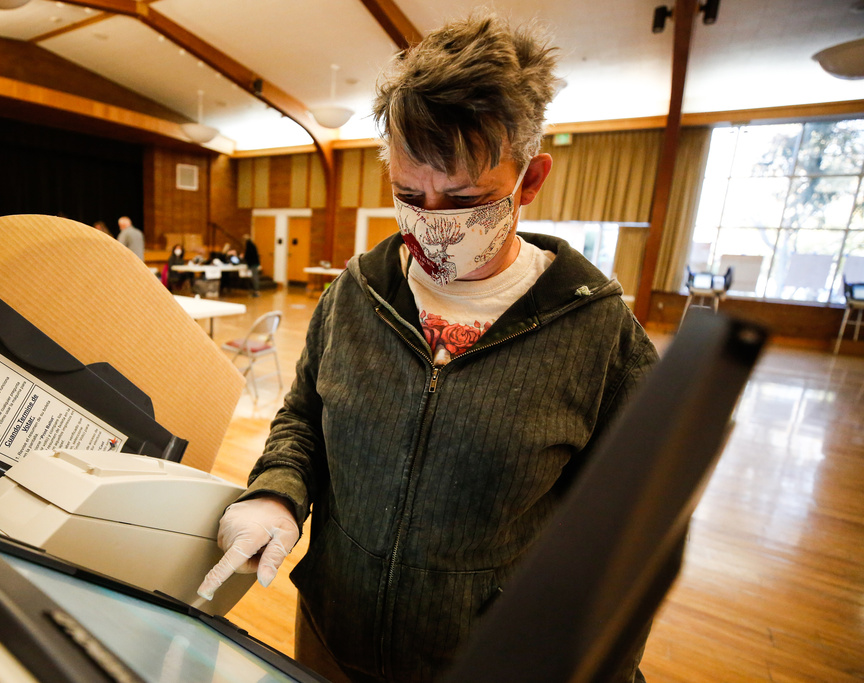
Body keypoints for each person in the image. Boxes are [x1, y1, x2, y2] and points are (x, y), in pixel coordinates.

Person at [198, 14, 659, 683]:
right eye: (409, 195)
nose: (432, 225)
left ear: (530, 182)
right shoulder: (357, 293)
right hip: (332, 637)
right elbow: (302, 418)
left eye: (466, 199)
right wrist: (276, 493)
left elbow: (630, 539)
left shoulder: (598, 332)